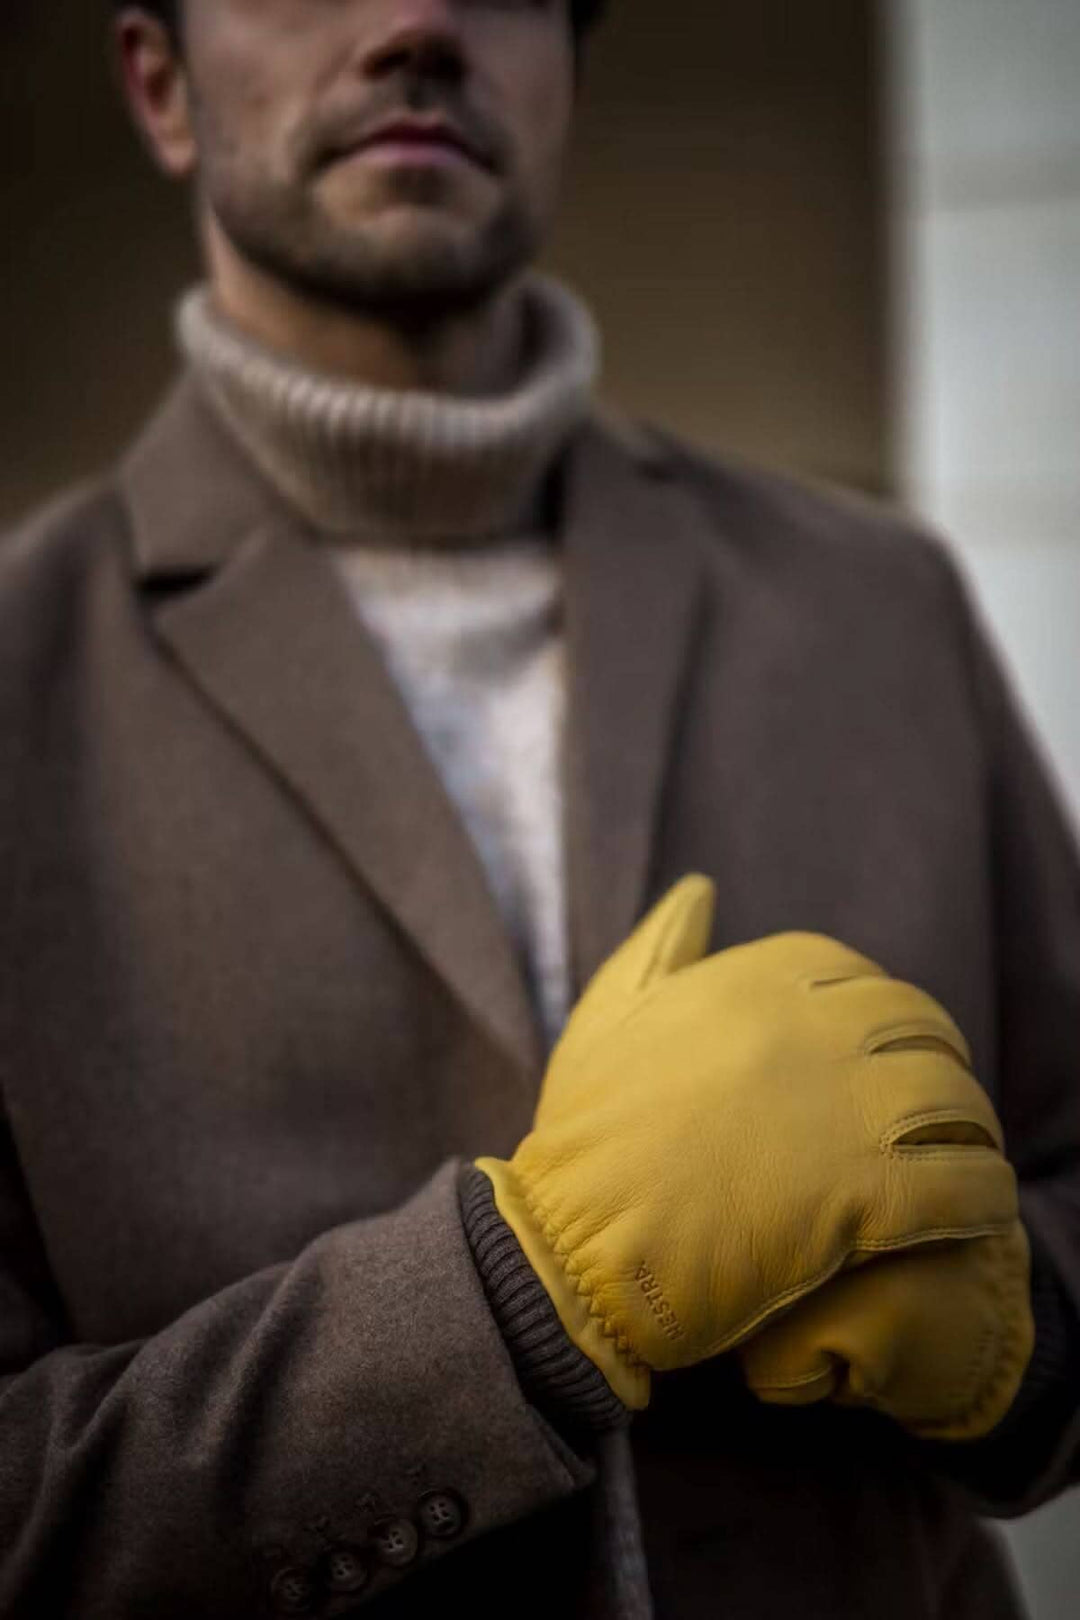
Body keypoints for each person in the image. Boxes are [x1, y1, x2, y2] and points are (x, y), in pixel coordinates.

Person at [0, 2, 1077, 1616]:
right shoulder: (13, 689)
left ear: (573, 72)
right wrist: (520, 1302)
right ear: (159, 83)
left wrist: (1024, 1340)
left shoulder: (882, 602)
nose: (418, 18)